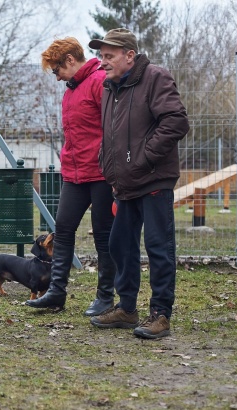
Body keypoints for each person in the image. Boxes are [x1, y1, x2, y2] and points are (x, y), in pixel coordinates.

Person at [87, 28, 189, 339]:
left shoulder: (155, 77)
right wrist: (110, 165)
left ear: (129, 56)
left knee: (158, 247)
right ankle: (127, 308)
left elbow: (176, 121)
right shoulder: (109, 88)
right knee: (120, 245)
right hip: (125, 183)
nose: (103, 61)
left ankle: (160, 314)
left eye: (109, 56)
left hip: (153, 179)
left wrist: (141, 159)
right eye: (101, 55)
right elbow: (110, 135)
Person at [25, 37, 116, 316]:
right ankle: (56, 292)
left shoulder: (100, 82)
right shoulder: (71, 90)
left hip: (100, 174)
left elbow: (114, 126)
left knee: (104, 236)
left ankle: (105, 297)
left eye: (56, 70)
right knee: (63, 230)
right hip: (74, 175)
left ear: (69, 61)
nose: (56, 77)